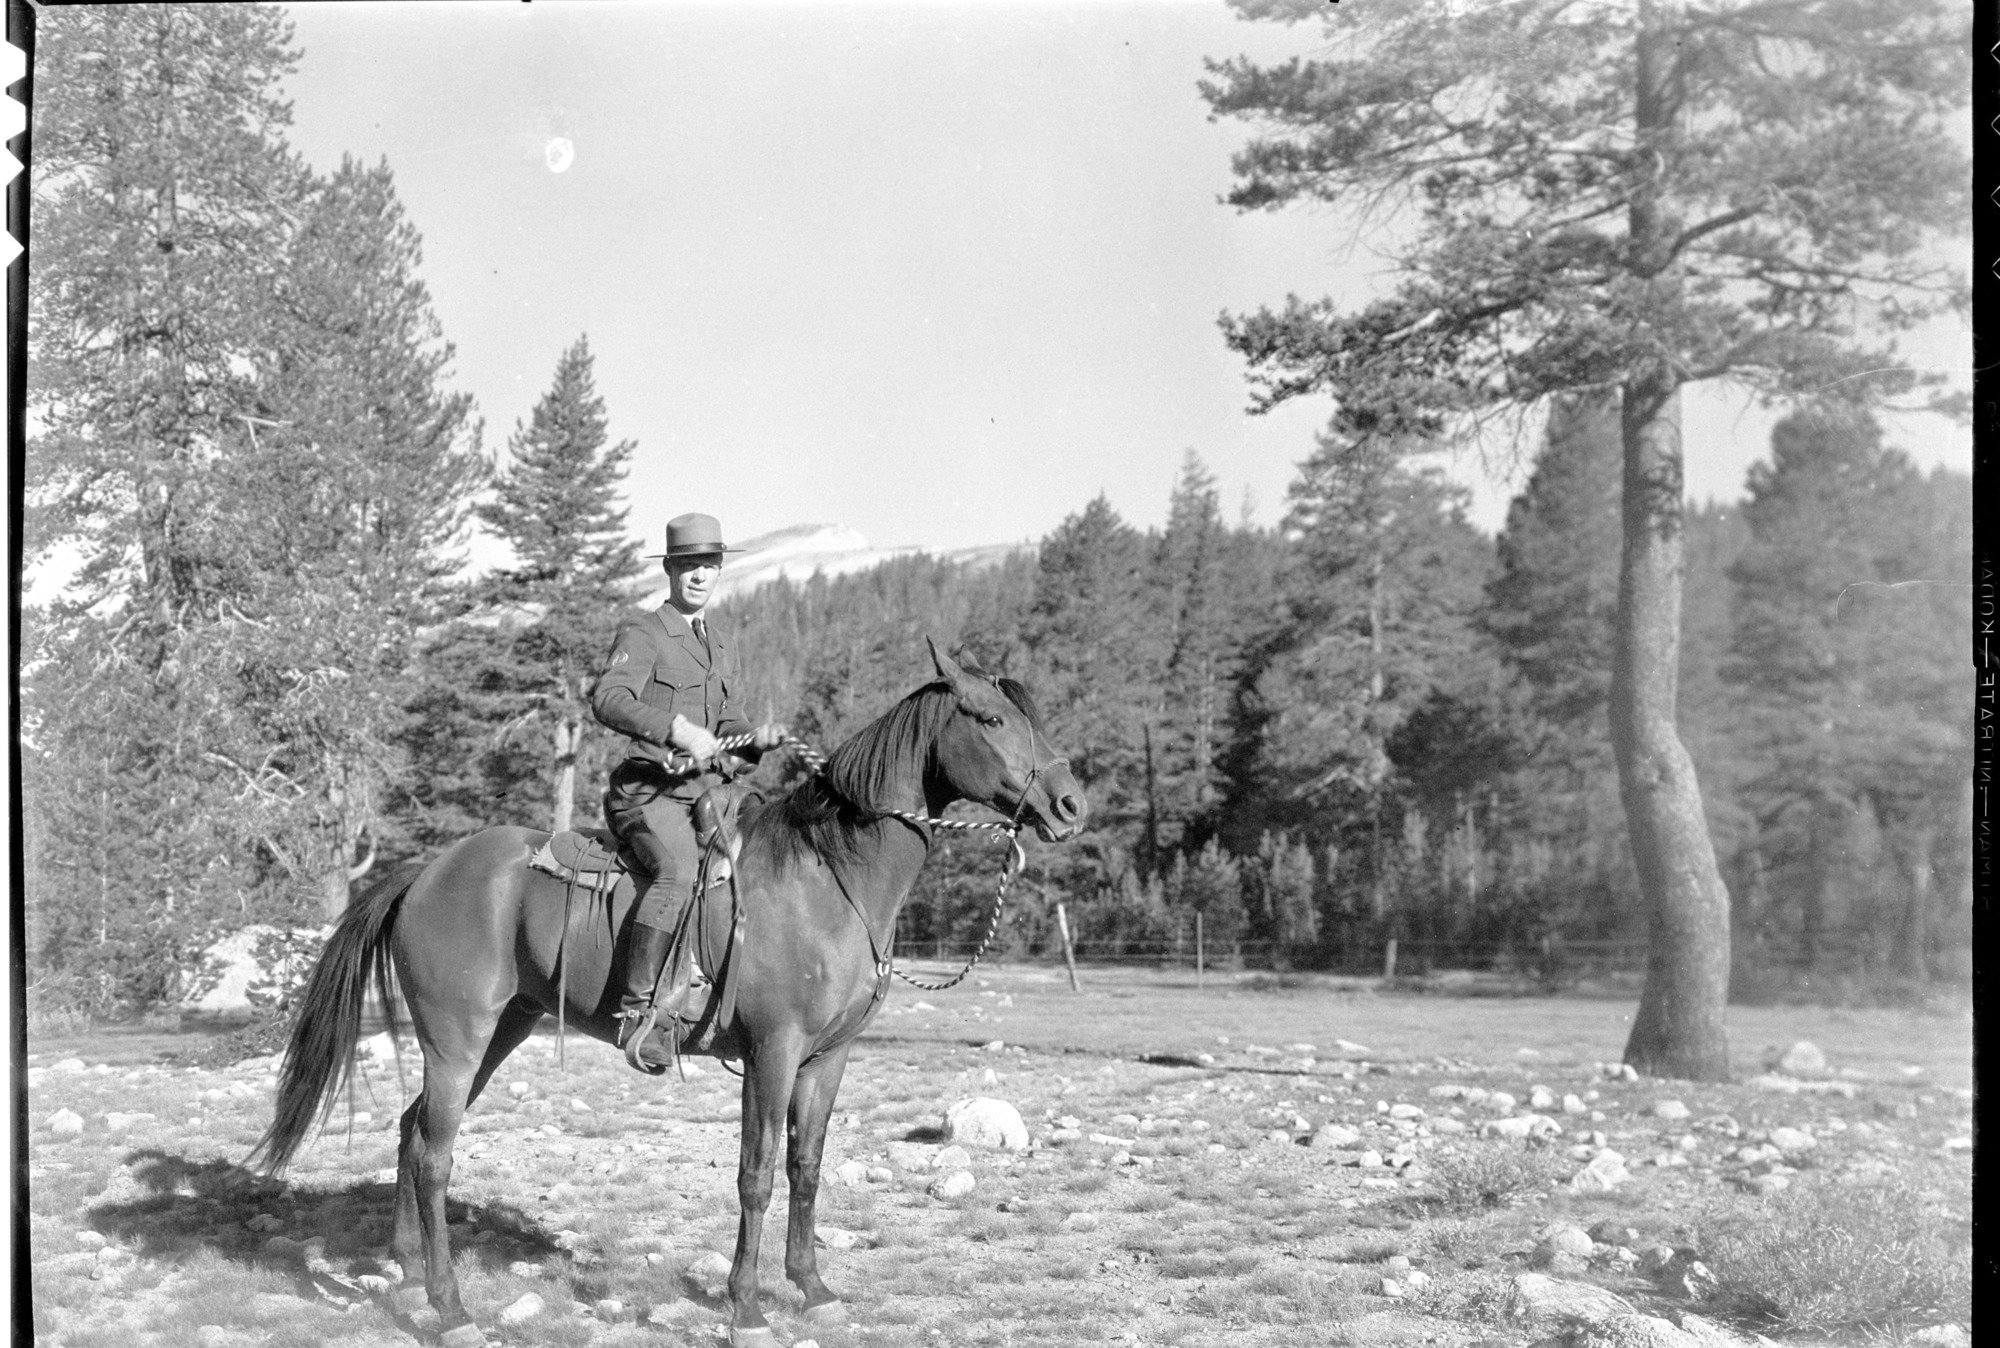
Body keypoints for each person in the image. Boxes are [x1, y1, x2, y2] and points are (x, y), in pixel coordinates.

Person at [591, 512, 786, 1070]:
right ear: (671, 569)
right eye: (689, 565)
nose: (700, 574)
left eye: (710, 564)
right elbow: (608, 698)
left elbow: (729, 722)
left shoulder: (721, 644)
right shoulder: (645, 633)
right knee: (675, 873)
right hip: (648, 795)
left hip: (710, 793)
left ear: (720, 569)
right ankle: (637, 1013)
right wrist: (674, 728)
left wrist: (752, 740)